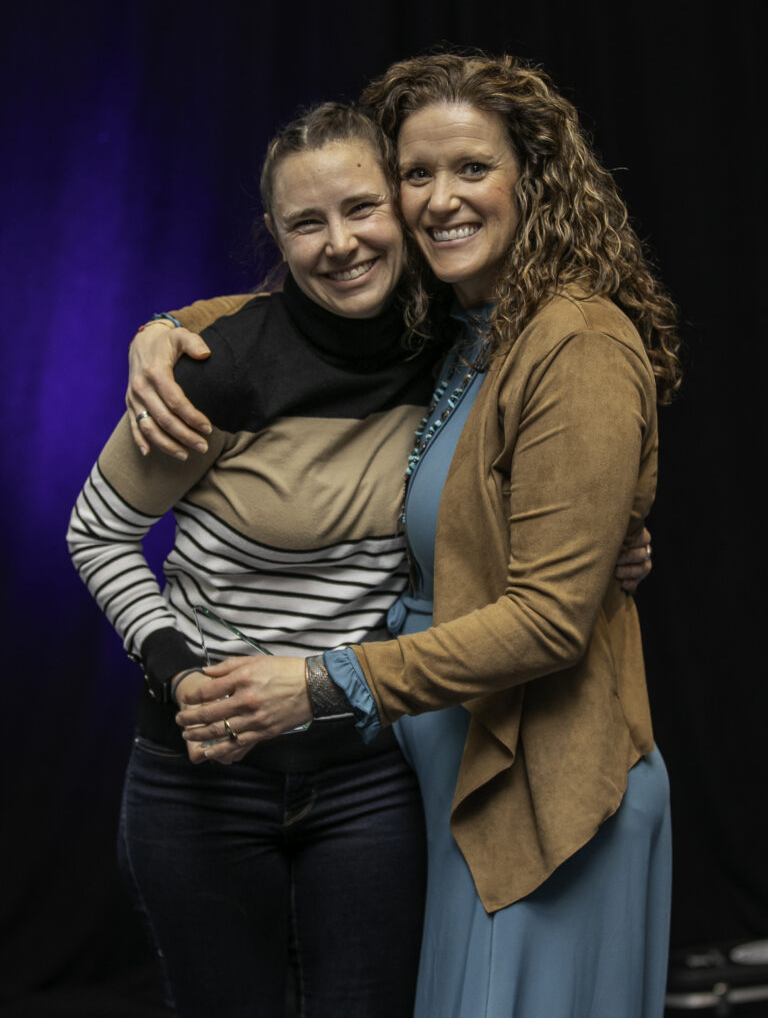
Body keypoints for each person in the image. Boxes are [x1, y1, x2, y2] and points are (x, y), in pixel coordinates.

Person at [163, 53, 680, 1018]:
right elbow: (295, 314)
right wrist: (166, 328)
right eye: (415, 174)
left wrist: (321, 680)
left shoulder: (577, 341)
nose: (441, 199)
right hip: (455, 779)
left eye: (471, 169)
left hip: (543, 793)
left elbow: (546, 624)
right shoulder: (463, 327)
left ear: (535, 181)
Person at [67, 102, 441, 1018]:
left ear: (400, 205)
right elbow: (98, 531)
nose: (341, 243)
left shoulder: (457, 353)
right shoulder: (218, 367)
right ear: (274, 235)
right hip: (203, 779)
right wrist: (174, 667)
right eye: (306, 223)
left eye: (362, 208)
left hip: (370, 772)